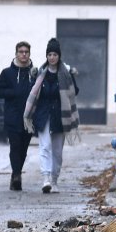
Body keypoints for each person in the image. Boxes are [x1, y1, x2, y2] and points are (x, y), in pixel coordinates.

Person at [23, 38, 79, 194]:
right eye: (49, 54)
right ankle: (46, 178)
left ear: (59, 56)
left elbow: (75, 91)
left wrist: (71, 78)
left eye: (55, 54)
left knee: (57, 151)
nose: (52, 57)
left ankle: (55, 179)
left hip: (61, 115)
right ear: (46, 56)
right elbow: (32, 91)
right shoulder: (40, 73)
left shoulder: (65, 73)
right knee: (45, 146)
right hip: (43, 115)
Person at [0, 41, 36, 190]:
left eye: (26, 52)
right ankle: (16, 175)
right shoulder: (7, 73)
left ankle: (16, 173)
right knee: (15, 146)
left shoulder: (34, 73)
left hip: (29, 119)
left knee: (23, 148)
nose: (23, 54)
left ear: (29, 54)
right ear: (16, 54)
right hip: (12, 117)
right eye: (21, 52)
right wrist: (11, 93)